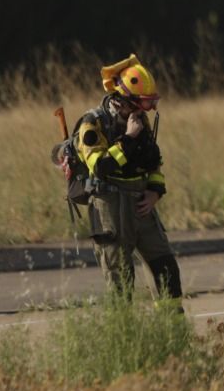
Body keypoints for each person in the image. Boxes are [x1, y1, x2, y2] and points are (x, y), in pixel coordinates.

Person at [74, 53, 182, 302]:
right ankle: (122, 335)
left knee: (166, 270)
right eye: (144, 103)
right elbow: (101, 167)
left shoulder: (139, 122)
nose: (149, 109)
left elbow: (155, 162)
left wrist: (155, 192)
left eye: (151, 102)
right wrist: (129, 139)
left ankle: (173, 332)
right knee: (120, 281)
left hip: (142, 205)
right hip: (111, 208)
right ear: (125, 100)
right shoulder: (92, 125)